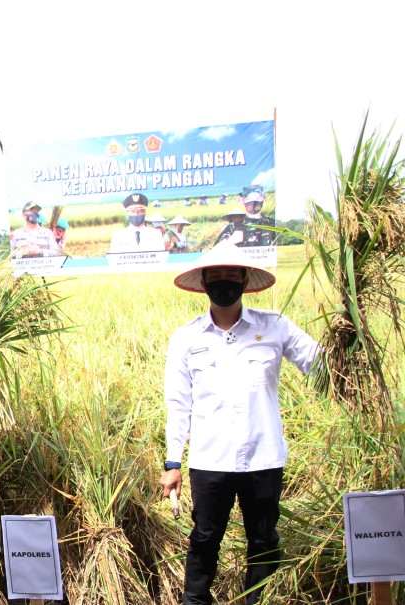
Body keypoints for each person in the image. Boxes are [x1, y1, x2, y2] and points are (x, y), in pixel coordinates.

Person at [159, 243, 319, 605]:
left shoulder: (274, 326)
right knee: (204, 539)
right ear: (204, 282)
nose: (224, 282)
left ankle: (258, 601)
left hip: (263, 458)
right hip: (210, 460)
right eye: (215, 276)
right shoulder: (187, 338)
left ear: (244, 281)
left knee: (263, 541)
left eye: (231, 275)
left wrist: (349, 331)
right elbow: (178, 404)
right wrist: (172, 463)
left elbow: (319, 363)